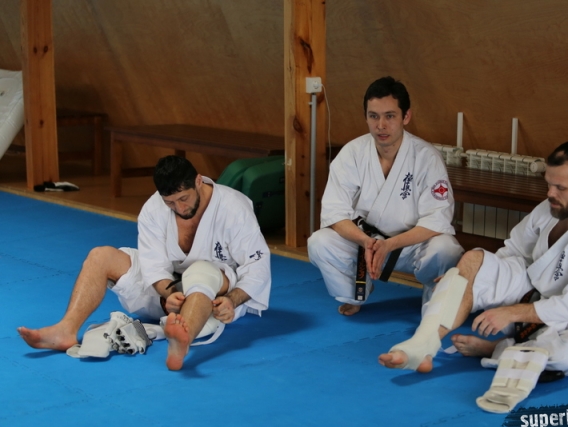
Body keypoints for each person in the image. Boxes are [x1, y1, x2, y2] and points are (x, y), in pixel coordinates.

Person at [378, 140, 568, 413]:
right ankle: (424, 343)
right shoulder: (553, 207)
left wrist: (511, 313)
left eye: (560, 188)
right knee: (473, 260)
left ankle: (499, 349)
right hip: (534, 293)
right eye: (548, 184)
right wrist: (468, 279)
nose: (550, 193)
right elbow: (514, 250)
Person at [18, 155, 271, 371]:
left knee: (200, 271)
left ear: (198, 181)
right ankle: (65, 330)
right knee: (100, 256)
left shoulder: (233, 207)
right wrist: (168, 294)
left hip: (215, 295)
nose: (179, 208)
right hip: (169, 295)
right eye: (170, 202)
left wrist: (233, 300)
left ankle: (182, 341)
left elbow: (257, 266)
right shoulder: (153, 208)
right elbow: (153, 264)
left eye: (183, 198)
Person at [307, 76, 464, 316]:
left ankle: (434, 301)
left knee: (447, 248)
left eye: (390, 116)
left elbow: (438, 219)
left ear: (406, 117)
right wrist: (365, 242)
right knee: (319, 242)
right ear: (366, 117)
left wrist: (389, 244)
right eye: (374, 116)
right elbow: (335, 213)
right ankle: (355, 292)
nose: (381, 125)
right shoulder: (352, 153)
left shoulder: (426, 157)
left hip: (411, 245)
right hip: (366, 244)